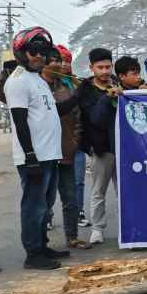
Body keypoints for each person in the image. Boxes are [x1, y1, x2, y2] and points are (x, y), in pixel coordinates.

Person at [4, 27, 76, 270]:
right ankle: (33, 254)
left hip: (50, 153)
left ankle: (42, 246)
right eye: (33, 51)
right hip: (34, 157)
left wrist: (80, 96)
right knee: (33, 206)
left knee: (45, 206)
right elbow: (20, 121)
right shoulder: (17, 82)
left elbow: (52, 112)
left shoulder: (37, 79)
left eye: (42, 52)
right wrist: (30, 156)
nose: (38, 56)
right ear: (21, 53)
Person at [40, 46, 89, 249]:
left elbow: (77, 115)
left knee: (70, 196)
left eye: (60, 60)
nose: (58, 64)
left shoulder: (67, 86)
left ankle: (72, 237)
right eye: (54, 60)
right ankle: (41, 243)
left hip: (66, 149)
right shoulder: (35, 85)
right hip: (44, 152)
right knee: (44, 200)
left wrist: (75, 141)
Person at [76, 47, 116, 244]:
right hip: (100, 149)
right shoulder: (84, 90)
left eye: (108, 66)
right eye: (100, 67)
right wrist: (87, 146)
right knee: (98, 191)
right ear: (91, 68)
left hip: (123, 147)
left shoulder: (120, 84)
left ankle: (130, 226)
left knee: (125, 191)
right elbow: (85, 120)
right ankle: (97, 229)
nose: (105, 71)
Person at [91, 56, 147, 168]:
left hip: (138, 150)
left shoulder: (143, 92)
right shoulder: (111, 93)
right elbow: (96, 119)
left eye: (139, 74)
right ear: (122, 76)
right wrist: (108, 98)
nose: (138, 77)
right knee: (100, 185)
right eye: (134, 74)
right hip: (111, 150)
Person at [55, 44, 89, 227]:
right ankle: (48, 216)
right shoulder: (48, 85)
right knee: (52, 185)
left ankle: (79, 212)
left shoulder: (77, 83)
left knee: (78, 181)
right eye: (60, 61)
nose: (64, 65)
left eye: (67, 61)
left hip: (77, 140)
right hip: (56, 142)